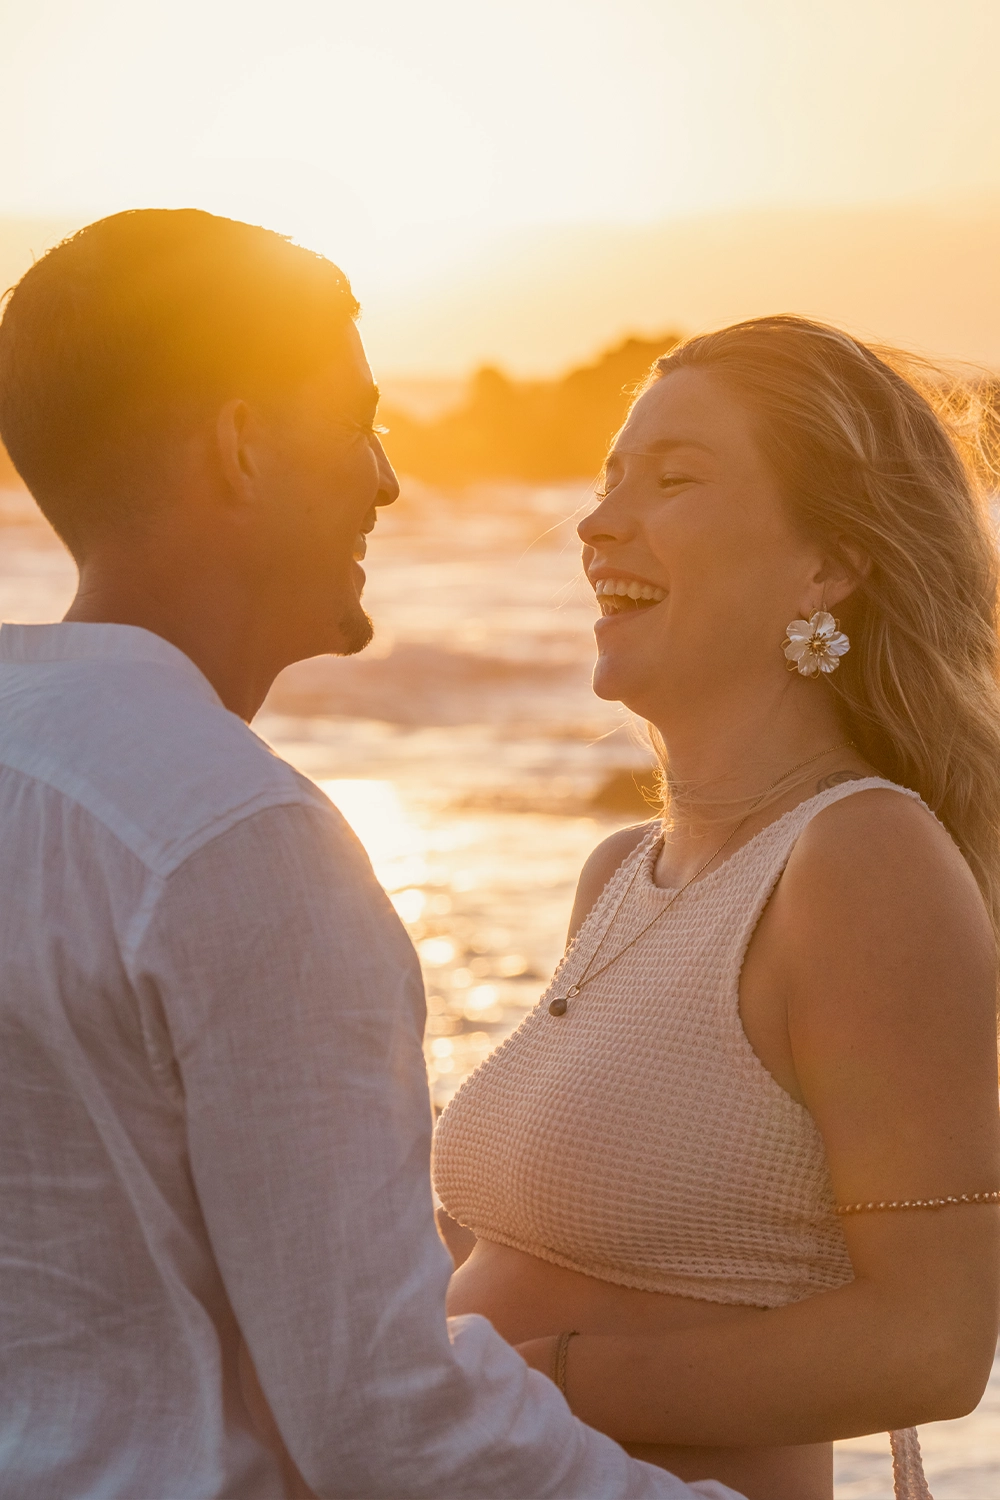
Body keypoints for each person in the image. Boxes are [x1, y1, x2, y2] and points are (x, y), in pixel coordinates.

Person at [0, 210, 745, 1500]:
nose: (387, 479)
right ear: (239, 448)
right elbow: (385, 1420)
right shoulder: (244, 847)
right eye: (355, 422)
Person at [434, 316, 1000, 1500]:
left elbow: (934, 1343)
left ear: (827, 563)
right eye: (607, 481)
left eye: (675, 478)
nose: (596, 524)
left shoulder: (860, 859)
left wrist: (533, 1385)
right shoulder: (623, 874)